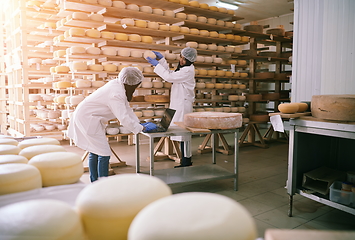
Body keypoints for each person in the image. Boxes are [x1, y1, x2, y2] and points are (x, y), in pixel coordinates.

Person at [67, 67, 157, 182]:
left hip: (86, 117)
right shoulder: (116, 93)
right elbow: (123, 118)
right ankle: (103, 185)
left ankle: (95, 182)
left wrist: (139, 123)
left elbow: (127, 109)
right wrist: (141, 128)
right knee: (104, 153)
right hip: (87, 120)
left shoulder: (118, 85)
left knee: (95, 150)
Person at [146, 47, 197, 168]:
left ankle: (186, 161)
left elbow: (168, 77)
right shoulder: (184, 69)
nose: (180, 59)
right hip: (176, 104)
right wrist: (162, 60)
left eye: (182, 58)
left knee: (184, 134)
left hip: (182, 105)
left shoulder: (188, 71)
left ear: (188, 60)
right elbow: (170, 74)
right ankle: (185, 159)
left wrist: (157, 65)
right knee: (173, 129)